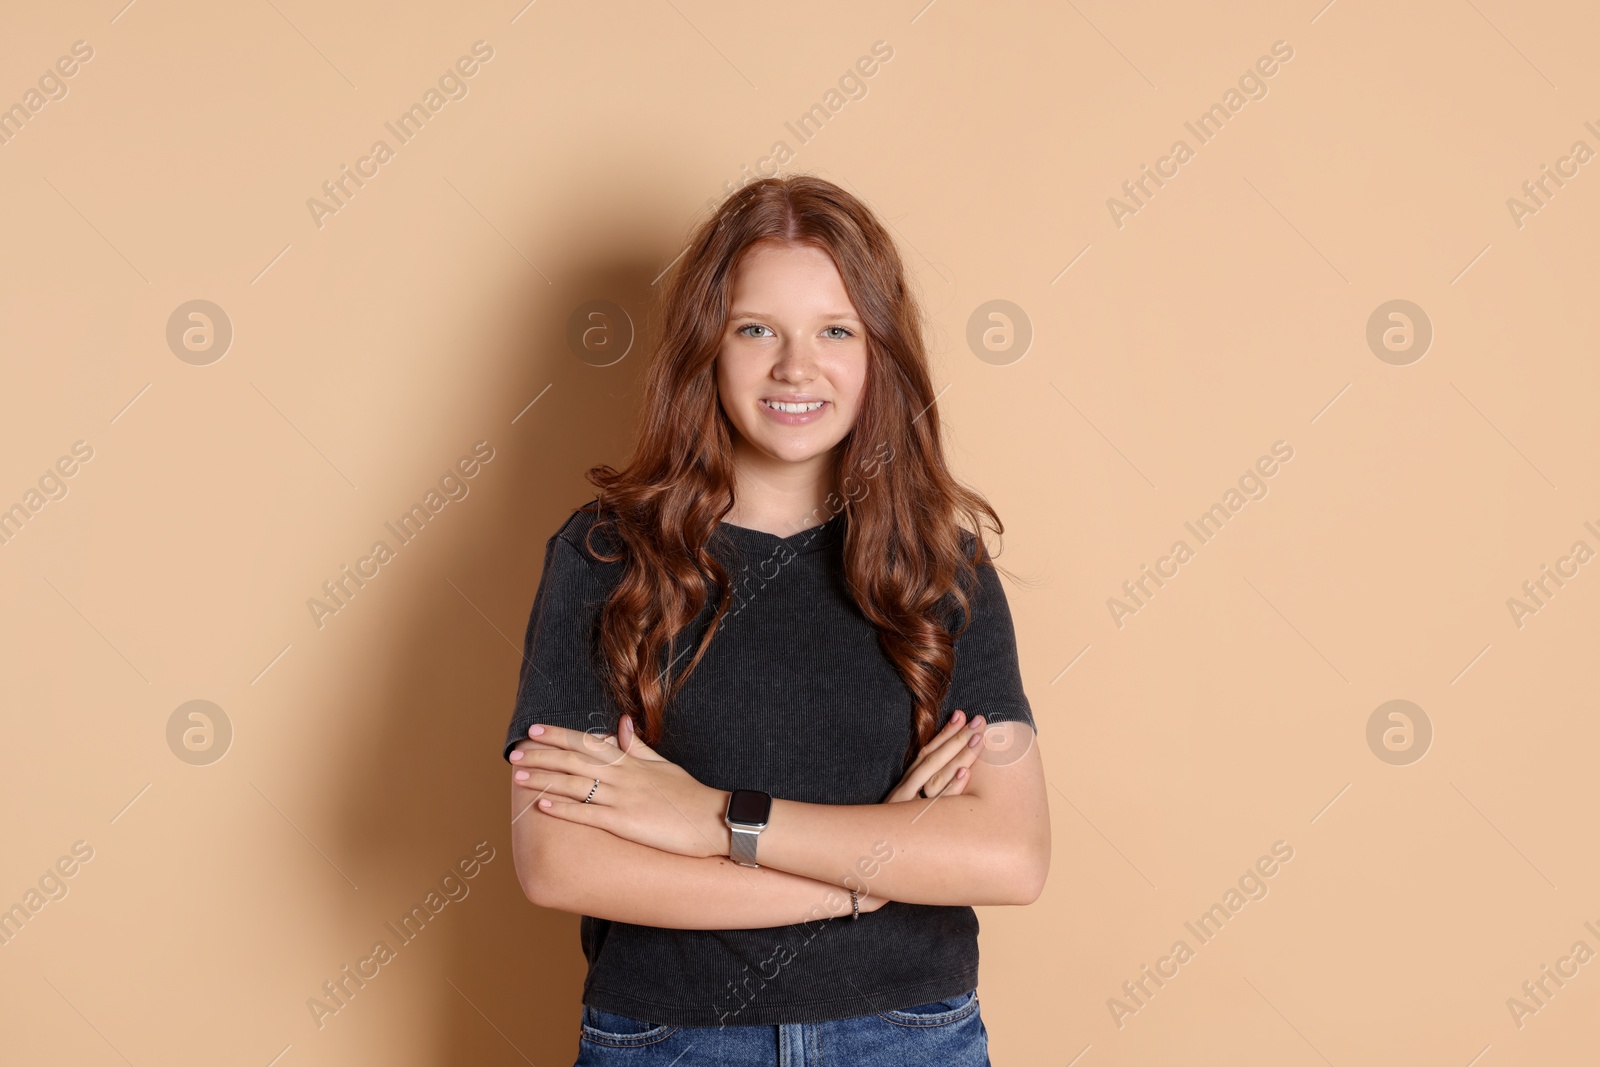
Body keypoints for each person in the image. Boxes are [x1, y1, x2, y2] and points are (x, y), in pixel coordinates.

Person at [503, 174, 1049, 1066]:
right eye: (757, 329)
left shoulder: (941, 567)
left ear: (878, 353)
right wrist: (859, 884)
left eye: (835, 330)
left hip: (907, 1038)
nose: (797, 368)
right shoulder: (604, 558)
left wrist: (713, 818)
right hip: (667, 1042)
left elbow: (1008, 854)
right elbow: (560, 862)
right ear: (706, 350)